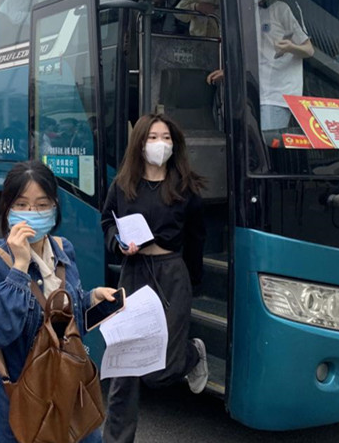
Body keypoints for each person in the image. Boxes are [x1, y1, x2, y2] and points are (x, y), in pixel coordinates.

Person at [0, 160, 117, 443]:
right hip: (18, 399)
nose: (31, 214)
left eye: (41, 204)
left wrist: (91, 299)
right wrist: (19, 268)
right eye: (22, 205)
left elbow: (65, 319)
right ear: (7, 209)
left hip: (66, 391)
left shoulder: (63, 249)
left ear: (54, 207)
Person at [102, 113, 208, 443]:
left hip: (171, 275)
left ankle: (193, 354)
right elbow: (107, 222)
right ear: (139, 143)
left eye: (165, 138)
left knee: (162, 370)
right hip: (134, 274)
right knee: (124, 370)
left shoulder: (186, 188)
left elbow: (196, 239)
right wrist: (118, 244)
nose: (159, 144)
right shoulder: (123, 185)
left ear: (174, 144)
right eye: (152, 137)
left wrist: (193, 281)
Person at [255, 0, 314, 131]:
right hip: (256, 90)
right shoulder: (253, 11)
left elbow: (309, 50)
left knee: (267, 141)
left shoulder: (284, 7)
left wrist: (290, 47)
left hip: (278, 95)